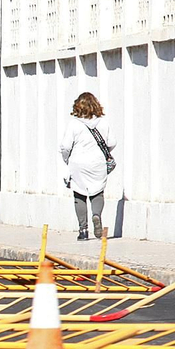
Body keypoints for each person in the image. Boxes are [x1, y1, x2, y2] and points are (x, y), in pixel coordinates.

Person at [59, 91, 116, 241]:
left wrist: (67, 159)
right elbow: (112, 142)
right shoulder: (103, 122)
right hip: (97, 163)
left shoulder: (74, 124)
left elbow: (65, 146)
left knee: (79, 195)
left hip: (78, 163)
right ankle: (96, 214)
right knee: (98, 192)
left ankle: (83, 230)